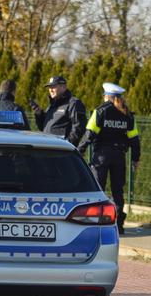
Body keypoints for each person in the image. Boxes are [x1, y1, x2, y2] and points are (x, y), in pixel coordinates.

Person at [78, 83, 141, 235]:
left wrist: (79, 150)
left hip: (101, 157)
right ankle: (118, 225)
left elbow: (89, 134)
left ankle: (98, 223)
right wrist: (135, 159)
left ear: (107, 96)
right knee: (118, 191)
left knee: (98, 189)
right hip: (119, 156)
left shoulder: (100, 112)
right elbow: (134, 139)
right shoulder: (127, 115)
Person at [32, 76, 86, 146]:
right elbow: (44, 128)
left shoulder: (73, 103)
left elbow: (79, 127)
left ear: (63, 87)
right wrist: (39, 115)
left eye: (53, 87)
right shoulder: (51, 106)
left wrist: (68, 145)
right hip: (48, 147)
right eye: (49, 87)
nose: (51, 90)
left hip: (62, 151)